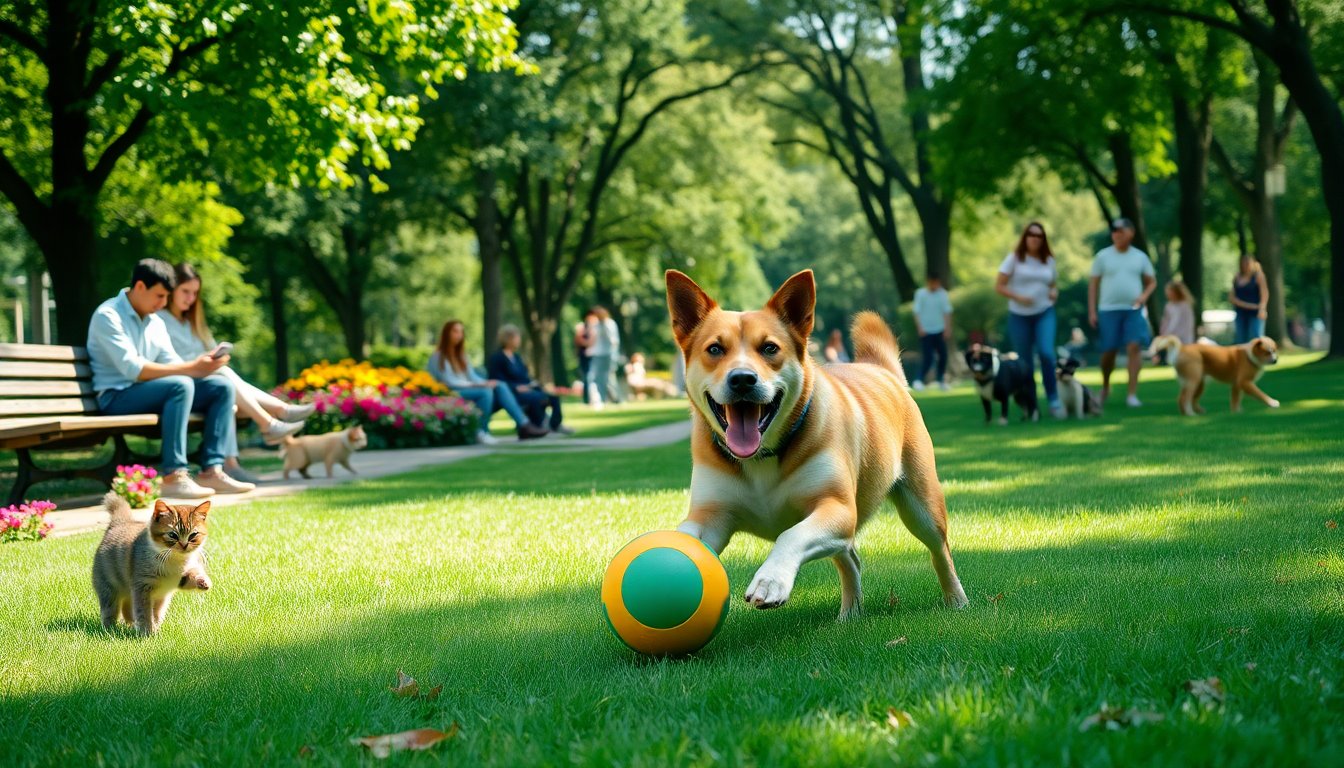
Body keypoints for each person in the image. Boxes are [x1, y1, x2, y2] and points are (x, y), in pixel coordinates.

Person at [87, 259, 253, 497]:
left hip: (151, 392)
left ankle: (212, 472)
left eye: (166, 297)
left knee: (221, 386)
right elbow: (133, 370)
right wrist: (191, 368)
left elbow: (173, 363)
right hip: (116, 397)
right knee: (180, 385)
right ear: (141, 286)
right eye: (160, 296)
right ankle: (174, 475)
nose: (163, 303)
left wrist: (203, 366)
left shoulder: (154, 322)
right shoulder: (108, 315)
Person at [158, 263, 310, 484]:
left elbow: (208, 352)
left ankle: (230, 466)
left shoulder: (193, 323)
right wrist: (203, 365)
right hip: (181, 387)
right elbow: (169, 362)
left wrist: (214, 358)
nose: (191, 298)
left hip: (207, 386)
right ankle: (274, 416)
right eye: (185, 291)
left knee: (226, 391)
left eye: (195, 293)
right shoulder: (160, 320)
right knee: (223, 376)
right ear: (172, 290)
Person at [428, 320, 548, 443]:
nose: (459, 335)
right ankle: (482, 431)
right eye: (455, 331)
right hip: (450, 391)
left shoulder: (461, 356)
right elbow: (450, 381)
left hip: (466, 388)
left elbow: (472, 376)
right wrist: (478, 385)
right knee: (485, 392)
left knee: (499, 385)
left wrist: (487, 382)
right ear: (446, 334)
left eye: (461, 332)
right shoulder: (438, 356)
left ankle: (524, 425)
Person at [996, 222, 1063, 417]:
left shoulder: (1048, 260)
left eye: (1039, 236)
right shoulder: (1014, 259)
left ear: (1043, 240)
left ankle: (1053, 399)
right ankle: (1031, 404)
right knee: (1024, 364)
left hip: (1044, 312)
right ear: (1025, 237)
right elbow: (999, 285)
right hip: (1019, 316)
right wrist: (1019, 297)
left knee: (1046, 353)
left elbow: (1052, 284)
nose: (1035, 238)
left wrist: (1054, 292)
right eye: (1031, 235)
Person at [1088, 218, 1156, 407]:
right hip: (1108, 310)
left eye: (1120, 230)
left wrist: (1143, 296)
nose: (1116, 234)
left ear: (1131, 232)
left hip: (1133, 310)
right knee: (1109, 350)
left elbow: (1152, 281)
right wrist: (1092, 310)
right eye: (1114, 231)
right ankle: (1105, 386)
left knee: (1134, 347)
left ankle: (1132, 394)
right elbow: (1093, 284)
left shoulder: (1140, 257)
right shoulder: (1102, 256)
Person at [487, 324, 575, 435]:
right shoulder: (497, 358)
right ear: (508, 338)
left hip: (526, 388)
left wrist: (531, 384)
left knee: (552, 397)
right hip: (512, 392)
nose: (519, 340)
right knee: (536, 398)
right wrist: (516, 387)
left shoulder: (517, 357)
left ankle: (555, 424)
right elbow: (496, 380)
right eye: (517, 337)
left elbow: (524, 376)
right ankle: (537, 425)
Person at [911, 273, 953, 391]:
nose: (935, 285)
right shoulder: (920, 294)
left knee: (943, 356)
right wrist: (920, 327)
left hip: (939, 330)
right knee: (928, 357)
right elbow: (916, 312)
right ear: (929, 282)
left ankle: (941, 380)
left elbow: (947, 312)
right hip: (926, 331)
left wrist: (947, 328)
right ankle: (918, 380)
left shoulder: (943, 294)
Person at [586, 306, 622, 409]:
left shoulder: (609, 324)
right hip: (597, 354)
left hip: (607, 354)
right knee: (593, 377)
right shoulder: (596, 325)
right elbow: (594, 340)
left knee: (607, 378)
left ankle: (614, 398)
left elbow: (613, 341)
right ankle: (600, 399)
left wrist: (614, 355)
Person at [1156, 279, 1196, 364]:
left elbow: (1186, 323)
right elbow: (1166, 321)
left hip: (1183, 336)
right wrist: (1164, 332)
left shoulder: (1185, 306)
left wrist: (1174, 333)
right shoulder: (1169, 306)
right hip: (1171, 335)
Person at [1230, 254, 1269, 343]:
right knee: (1241, 339)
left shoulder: (1258, 276)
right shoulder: (1237, 277)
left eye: (1248, 263)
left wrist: (1262, 309)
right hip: (1241, 312)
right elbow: (1232, 297)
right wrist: (1250, 306)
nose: (1246, 265)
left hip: (1256, 312)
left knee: (1256, 338)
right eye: (1244, 263)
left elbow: (1264, 294)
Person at [573, 313, 595, 405]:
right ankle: (587, 398)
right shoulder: (581, 328)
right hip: (584, 356)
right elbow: (579, 340)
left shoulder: (594, 329)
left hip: (593, 356)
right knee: (586, 377)